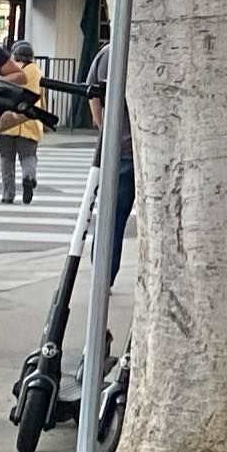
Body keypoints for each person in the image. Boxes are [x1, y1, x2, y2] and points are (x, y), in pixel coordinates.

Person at [87, 42, 136, 285]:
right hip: (128, 150)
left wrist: (104, 129)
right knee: (114, 216)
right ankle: (104, 273)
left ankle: (103, 274)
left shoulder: (106, 53)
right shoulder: (113, 53)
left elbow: (93, 96)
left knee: (112, 217)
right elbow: (95, 95)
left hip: (121, 147)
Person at [0, 40, 43, 205]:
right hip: (29, 120)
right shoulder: (37, 72)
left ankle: (8, 194)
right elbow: (41, 97)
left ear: (14, 55)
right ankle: (28, 177)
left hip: (8, 120)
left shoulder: (10, 71)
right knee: (28, 156)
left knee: (6, 159)